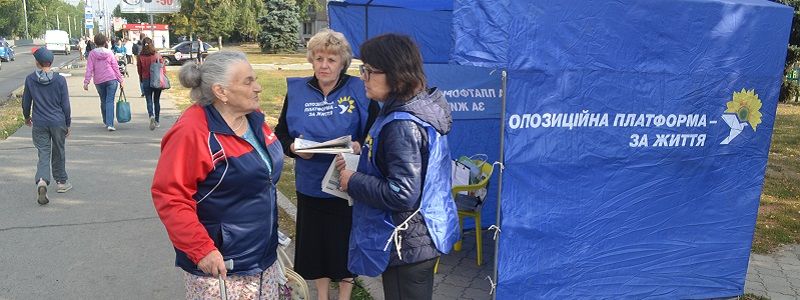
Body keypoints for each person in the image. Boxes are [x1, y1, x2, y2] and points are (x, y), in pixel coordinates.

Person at [335, 34, 460, 300]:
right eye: (363, 69)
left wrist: (353, 180)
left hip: (406, 242)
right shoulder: (412, 109)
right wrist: (366, 155)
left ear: (395, 73)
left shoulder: (401, 123)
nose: (363, 77)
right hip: (413, 237)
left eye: (368, 71)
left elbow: (402, 193)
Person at [152, 51, 284, 299]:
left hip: (262, 256)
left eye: (254, 79)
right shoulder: (192, 132)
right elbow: (170, 197)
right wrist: (202, 250)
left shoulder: (254, 119)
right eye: (247, 81)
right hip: (221, 267)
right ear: (220, 92)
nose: (258, 87)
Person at [274, 28, 377, 300]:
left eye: (331, 60)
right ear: (311, 59)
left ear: (342, 62)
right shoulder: (297, 91)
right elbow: (281, 133)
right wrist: (294, 149)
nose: (324, 65)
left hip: (346, 184)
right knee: (316, 244)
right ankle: (322, 295)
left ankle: (344, 295)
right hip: (310, 184)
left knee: (344, 243)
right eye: (319, 58)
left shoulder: (359, 89)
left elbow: (376, 132)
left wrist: (358, 147)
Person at [22, 47, 72, 205]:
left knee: (43, 152)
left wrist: (26, 117)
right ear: (51, 62)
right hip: (58, 121)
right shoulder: (60, 80)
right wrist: (67, 123)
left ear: (37, 62)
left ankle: (42, 180)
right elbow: (65, 105)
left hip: (39, 122)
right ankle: (61, 182)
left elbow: (26, 103)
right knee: (59, 150)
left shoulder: (30, 79)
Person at [83, 33, 124, 131]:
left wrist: (86, 82)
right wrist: (121, 80)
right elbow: (115, 67)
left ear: (95, 42)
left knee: (103, 100)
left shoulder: (92, 54)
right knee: (110, 101)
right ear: (105, 41)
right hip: (111, 79)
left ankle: (106, 121)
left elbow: (89, 68)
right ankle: (110, 124)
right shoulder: (109, 53)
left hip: (99, 80)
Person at [136, 37, 163, 130]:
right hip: (156, 79)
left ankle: (151, 115)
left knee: (149, 100)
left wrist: (141, 79)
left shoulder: (140, 56)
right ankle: (157, 121)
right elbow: (162, 68)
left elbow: (139, 69)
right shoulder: (157, 55)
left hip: (146, 79)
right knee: (156, 100)